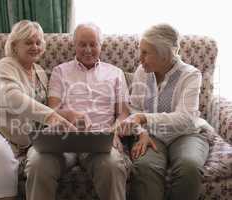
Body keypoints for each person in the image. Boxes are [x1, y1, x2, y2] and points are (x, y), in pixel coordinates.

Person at [0, 20, 76, 200]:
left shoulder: (40, 72)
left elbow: (37, 109)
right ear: (14, 45)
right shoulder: (5, 66)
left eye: (38, 42)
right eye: (28, 42)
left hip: (11, 139)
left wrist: (69, 116)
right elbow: (14, 99)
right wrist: (52, 118)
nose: (35, 46)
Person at [24, 23, 132, 200]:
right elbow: (53, 110)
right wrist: (72, 116)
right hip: (63, 138)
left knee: (112, 165)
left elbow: (124, 113)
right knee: (37, 164)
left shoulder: (115, 73)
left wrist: (114, 133)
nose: (88, 50)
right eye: (82, 44)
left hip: (99, 139)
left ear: (101, 45)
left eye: (93, 44)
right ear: (74, 45)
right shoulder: (60, 71)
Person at [114, 23, 210, 200]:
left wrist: (144, 118)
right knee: (145, 166)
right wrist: (142, 133)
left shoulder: (190, 75)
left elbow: (185, 119)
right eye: (140, 51)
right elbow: (134, 108)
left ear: (164, 55)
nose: (140, 58)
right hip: (152, 135)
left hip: (186, 134)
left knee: (189, 166)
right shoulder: (142, 72)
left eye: (145, 53)